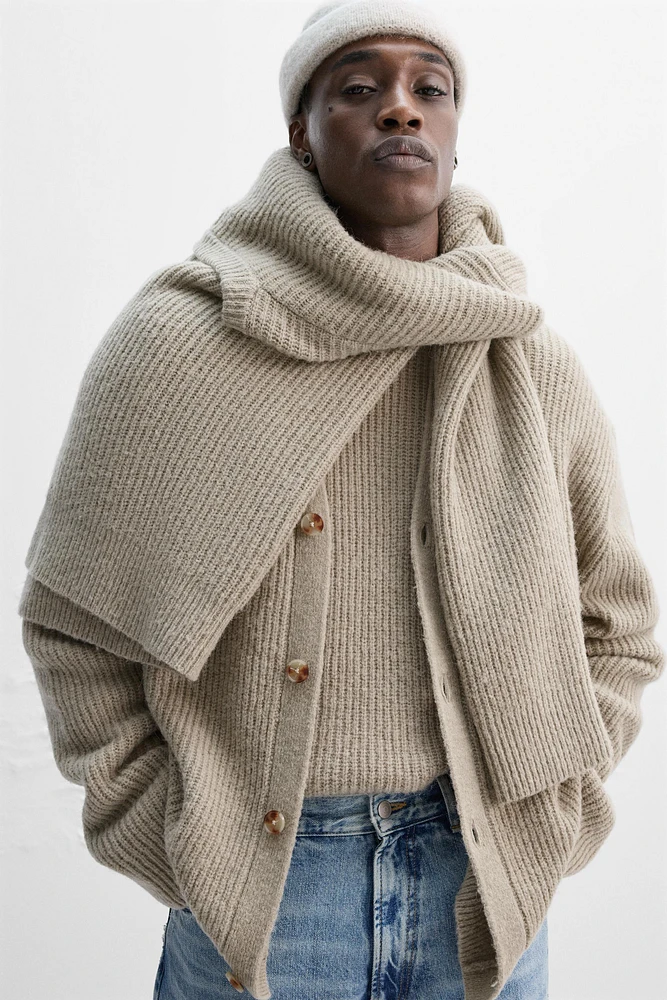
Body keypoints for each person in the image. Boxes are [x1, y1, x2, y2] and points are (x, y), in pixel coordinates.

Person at [18, 2, 664, 999]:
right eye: (359, 88)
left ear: (454, 131)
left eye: (429, 90)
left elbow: (617, 620)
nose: (400, 109)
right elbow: (74, 622)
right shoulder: (180, 340)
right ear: (301, 133)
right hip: (265, 902)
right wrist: (175, 841)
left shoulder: (526, 358)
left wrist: (556, 809)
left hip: (486, 886)